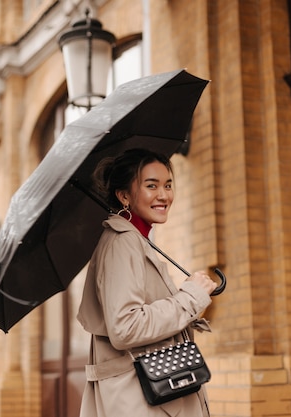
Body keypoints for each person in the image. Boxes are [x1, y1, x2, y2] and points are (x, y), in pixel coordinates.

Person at [77, 148, 218, 417]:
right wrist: (189, 298)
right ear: (124, 195)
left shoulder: (136, 240)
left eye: (168, 185)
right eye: (151, 186)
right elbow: (125, 326)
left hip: (153, 398)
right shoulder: (123, 241)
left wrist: (191, 297)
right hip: (143, 401)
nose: (164, 195)